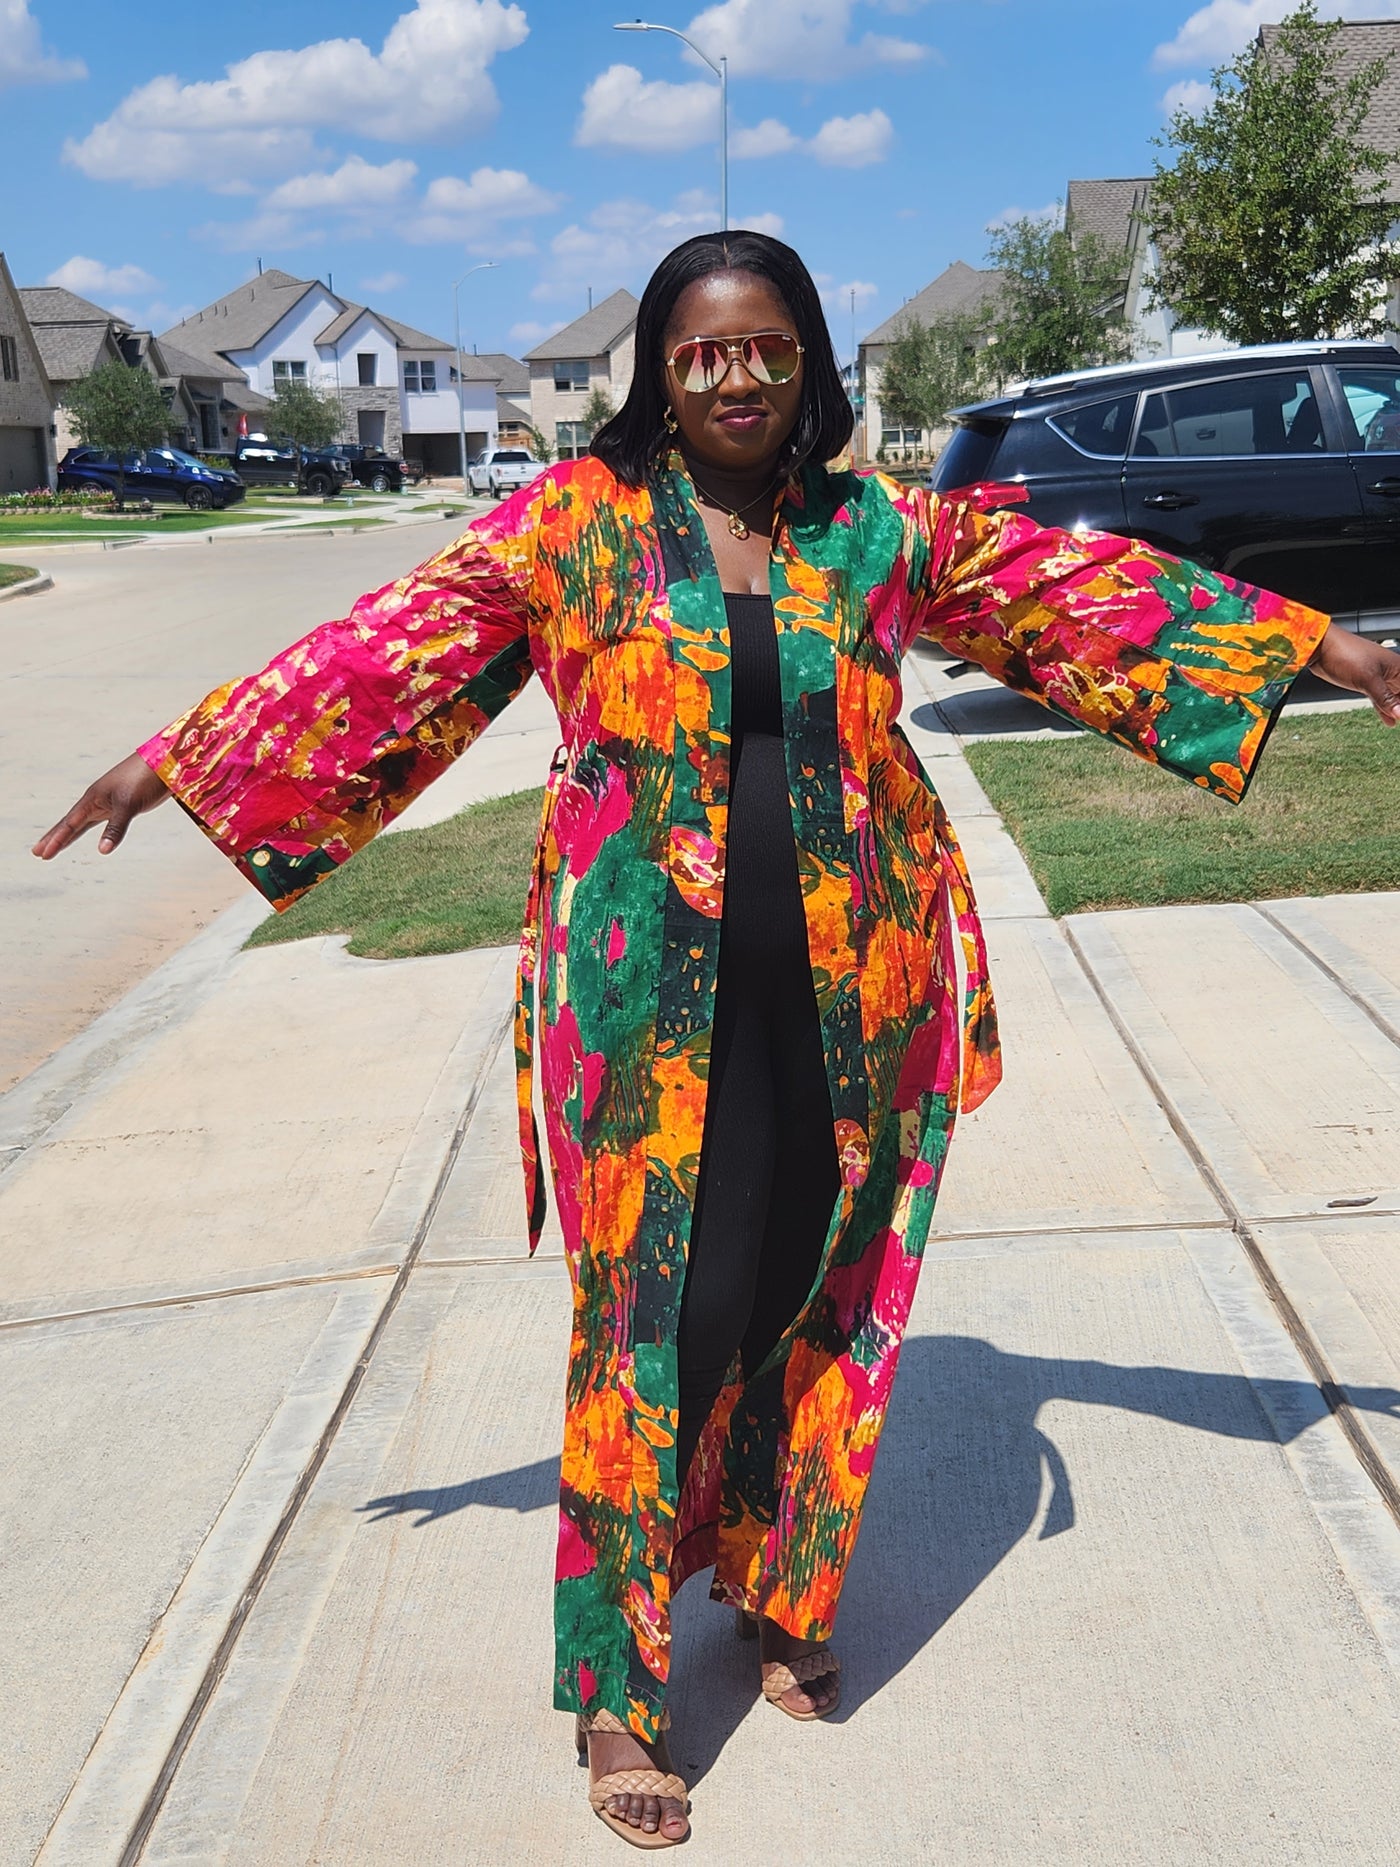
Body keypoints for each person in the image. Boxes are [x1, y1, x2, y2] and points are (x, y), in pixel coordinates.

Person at [35, 231, 1400, 1850]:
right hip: (636, 998)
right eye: (703, 352)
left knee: (813, 1278)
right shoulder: (573, 524)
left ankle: (770, 1579)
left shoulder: (878, 527)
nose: (737, 377)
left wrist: (1321, 644)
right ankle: (617, 1687)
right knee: (650, 1310)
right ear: (660, 374)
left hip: (854, 975)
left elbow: (1074, 595)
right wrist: (179, 760)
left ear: (810, 363)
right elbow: (386, 646)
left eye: (766, 350)